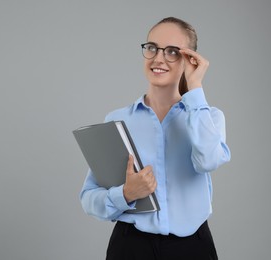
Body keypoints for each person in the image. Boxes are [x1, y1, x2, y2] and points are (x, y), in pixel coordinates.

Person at [79, 17, 231, 260]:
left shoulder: (209, 117)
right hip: (130, 247)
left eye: (172, 51)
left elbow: (208, 161)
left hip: (192, 248)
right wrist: (126, 194)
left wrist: (195, 88)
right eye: (152, 48)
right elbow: (89, 199)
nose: (158, 58)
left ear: (190, 59)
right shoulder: (117, 120)